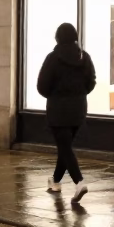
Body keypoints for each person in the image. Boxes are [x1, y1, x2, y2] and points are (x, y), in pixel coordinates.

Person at [37, 22, 96, 203]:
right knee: (65, 147)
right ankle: (55, 181)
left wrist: (54, 95)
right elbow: (91, 81)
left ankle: (79, 182)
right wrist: (79, 94)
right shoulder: (84, 57)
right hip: (78, 109)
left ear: (58, 37)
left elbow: (42, 85)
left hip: (58, 109)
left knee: (65, 147)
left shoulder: (53, 58)